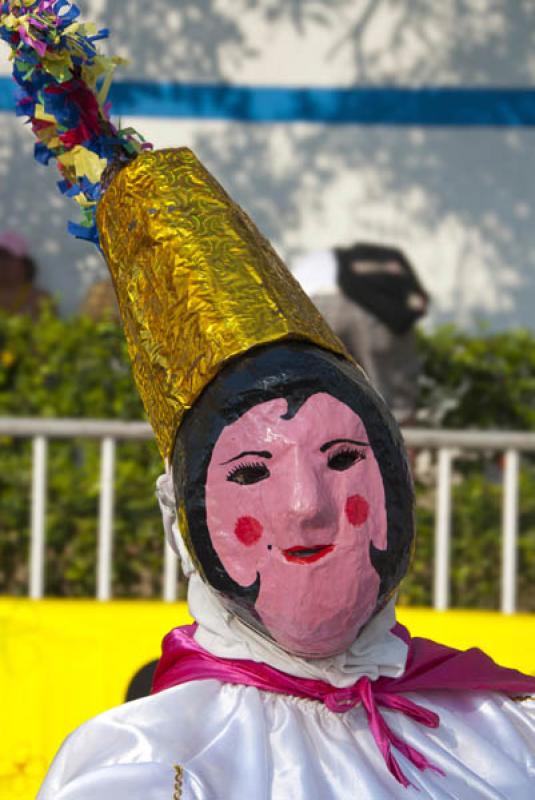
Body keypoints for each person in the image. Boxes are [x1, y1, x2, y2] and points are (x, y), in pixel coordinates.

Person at [2, 3, 534, 798]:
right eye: (250, 472)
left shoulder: (504, 727)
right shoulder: (150, 764)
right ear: (181, 517)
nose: (305, 506)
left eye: (345, 457)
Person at [292, 244, 428, 425]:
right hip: (377, 313)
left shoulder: (321, 260)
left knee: (316, 393)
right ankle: (399, 444)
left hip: (311, 299)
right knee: (393, 402)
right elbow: (417, 304)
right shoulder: (392, 267)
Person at [0, 230, 51, 319]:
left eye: (9, 257)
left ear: (25, 264)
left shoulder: (40, 299)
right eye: (0, 257)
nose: (3, 263)